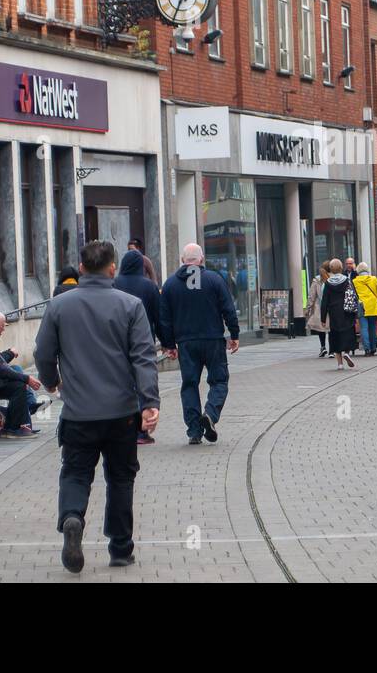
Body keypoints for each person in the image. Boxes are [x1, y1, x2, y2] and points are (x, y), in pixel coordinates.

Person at [35, 241, 160, 573]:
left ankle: (72, 517)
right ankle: (120, 548)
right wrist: (149, 402)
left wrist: (51, 381)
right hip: (121, 412)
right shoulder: (131, 306)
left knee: (75, 472)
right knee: (120, 478)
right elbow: (143, 357)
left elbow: (43, 352)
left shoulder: (59, 306)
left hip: (78, 412)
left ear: (81, 267)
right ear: (112, 268)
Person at [159, 243, 240, 445]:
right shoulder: (214, 279)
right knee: (219, 381)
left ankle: (194, 431)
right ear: (201, 259)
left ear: (181, 260)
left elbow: (164, 319)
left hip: (186, 343)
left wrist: (169, 344)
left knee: (189, 385)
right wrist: (234, 334)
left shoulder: (170, 285)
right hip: (212, 339)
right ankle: (210, 414)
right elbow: (228, 308)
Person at [113, 248, 163, 445]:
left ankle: (125, 426)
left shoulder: (114, 284)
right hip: (143, 341)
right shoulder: (149, 286)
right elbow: (159, 317)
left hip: (118, 342)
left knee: (123, 384)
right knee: (143, 382)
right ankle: (142, 430)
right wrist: (167, 342)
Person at [0, 310, 41, 438]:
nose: (3, 330)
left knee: (16, 379)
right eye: (2, 326)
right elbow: (1, 368)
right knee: (18, 386)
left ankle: (11, 425)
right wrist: (27, 378)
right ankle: (13, 428)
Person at [320, 259, 358, 369]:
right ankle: (347, 352)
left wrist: (323, 318)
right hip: (346, 311)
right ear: (341, 268)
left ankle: (340, 364)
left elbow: (324, 301)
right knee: (348, 333)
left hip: (334, 313)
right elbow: (354, 296)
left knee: (335, 337)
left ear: (331, 269)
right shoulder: (347, 281)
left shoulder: (328, 283)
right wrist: (356, 313)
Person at [353, 262, 377, 356]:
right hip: (372, 305)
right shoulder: (373, 279)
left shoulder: (355, 281)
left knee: (364, 328)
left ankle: (367, 349)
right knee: (373, 327)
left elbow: (354, 294)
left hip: (361, 306)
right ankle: (373, 347)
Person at [306, 262, 330, 357]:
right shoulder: (334, 279)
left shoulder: (316, 280)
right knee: (331, 329)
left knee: (321, 329)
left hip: (320, 308)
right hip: (331, 308)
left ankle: (323, 347)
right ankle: (332, 350)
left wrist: (308, 308)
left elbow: (311, 296)